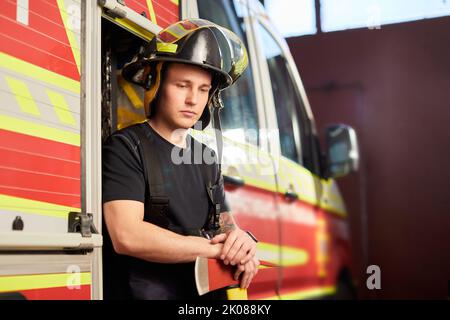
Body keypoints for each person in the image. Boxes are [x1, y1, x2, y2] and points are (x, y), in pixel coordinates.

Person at [102, 19, 259, 300]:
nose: (193, 100)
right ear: (157, 86)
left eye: (202, 89)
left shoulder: (206, 158)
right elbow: (126, 235)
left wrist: (243, 242)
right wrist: (215, 250)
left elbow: (225, 223)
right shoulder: (125, 148)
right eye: (182, 85)